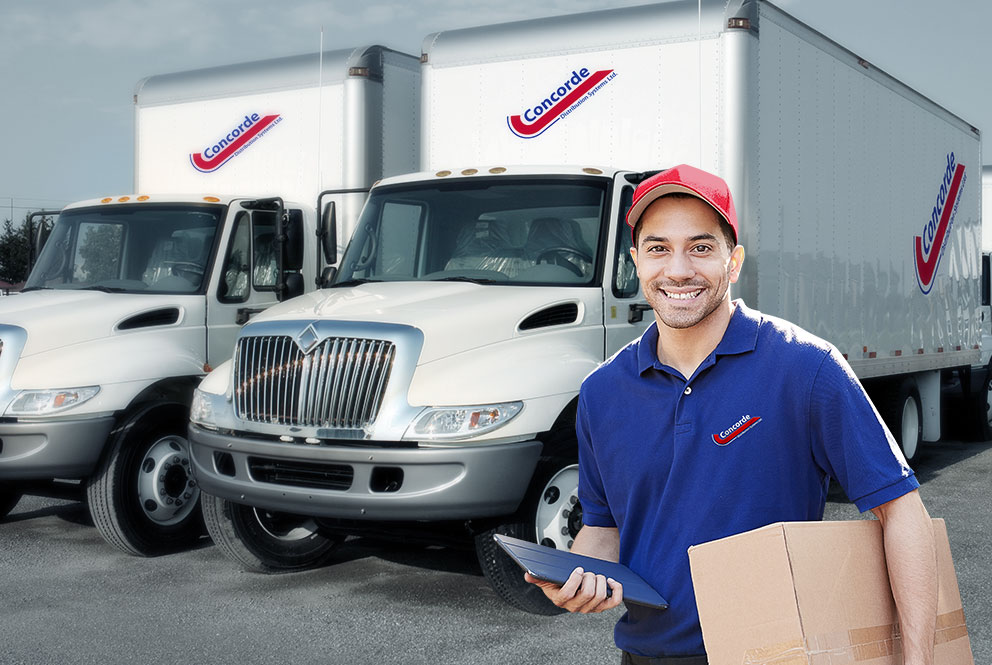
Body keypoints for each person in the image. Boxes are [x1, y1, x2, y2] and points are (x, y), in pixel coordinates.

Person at [525, 164, 938, 665]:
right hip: (647, 655)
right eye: (658, 248)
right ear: (635, 262)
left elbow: (900, 512)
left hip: (775, 653)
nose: (677, 270)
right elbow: (604, 529)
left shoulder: (805, 368)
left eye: (700, 247)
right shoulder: (602, 393)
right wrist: (575, 580)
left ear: (734, 260)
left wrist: (920, 660)